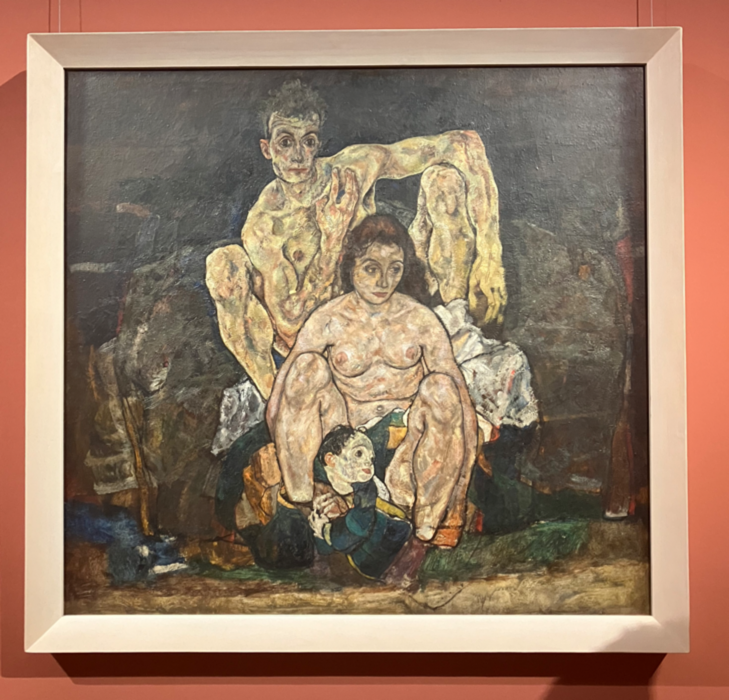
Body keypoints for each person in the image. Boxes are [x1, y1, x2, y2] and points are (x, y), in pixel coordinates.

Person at [206, 80, 504, 400]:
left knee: (444, 180)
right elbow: (293, 323)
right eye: (286, 142)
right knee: (223, 265)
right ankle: (277, 399)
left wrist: (490, 254)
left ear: (318, 144)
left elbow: (463, 144)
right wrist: (332, 239)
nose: (298, 155)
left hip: (385, 302)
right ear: (268, 149)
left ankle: (451, 332)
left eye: (308, 141)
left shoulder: (350, 170)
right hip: (326, 337)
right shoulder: (265, 224)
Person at [266, 214, 479, 547]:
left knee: (441, 387)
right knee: (306, 367)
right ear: (351, 265)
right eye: (371, 268)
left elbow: (460, 403)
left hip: (406, 444)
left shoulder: (421, 319)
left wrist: (460, 490)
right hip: (342, 441)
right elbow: (281, 398)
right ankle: (305, 506)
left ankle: (424, 532)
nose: (383, 280)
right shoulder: (327, 319)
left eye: (394, 269)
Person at [308, 426, 413, 580]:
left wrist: (324, 530)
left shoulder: (366, 489)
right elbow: (326, 550)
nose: (368, 462)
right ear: (331, 460)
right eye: (358, 453)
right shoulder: (324, 493)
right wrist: (319, 528)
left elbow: (355, 532)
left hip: (404, 549)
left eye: (371, 458)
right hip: (379, 570)